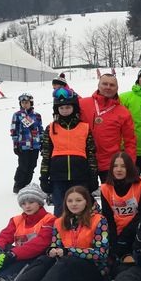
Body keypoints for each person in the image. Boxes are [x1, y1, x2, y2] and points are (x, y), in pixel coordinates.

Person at [39, 88, 98, 216]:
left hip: (80, 176)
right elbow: (46, 155)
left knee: (82, 210)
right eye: (61, 108)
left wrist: (93, 176)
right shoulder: (51, 128)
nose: (64, 110)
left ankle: (83, 229)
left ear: (74, 108)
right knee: (61, 211)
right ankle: (60, 229)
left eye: (67, 107)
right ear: (57, 110)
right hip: (58, 178)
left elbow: (91, 154)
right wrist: (43, 177)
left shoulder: (84, 127)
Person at [99, 151, 141, 270]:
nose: (119, 170)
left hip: (139, 229)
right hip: (117, 232)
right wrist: (114, 241)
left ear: (130, 168)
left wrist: (124, 237)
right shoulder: (105, 188)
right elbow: (108, 217)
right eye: (115, 166)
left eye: (123, 166)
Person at [79, 73, 136, 183]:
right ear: (98, 85)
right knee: (84, 193)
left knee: (112, 193)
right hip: (85, 160)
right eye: (105, 84)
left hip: (111, 163)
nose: (108, 87)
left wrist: (129, 164)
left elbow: (130, 141)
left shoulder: (123, 112)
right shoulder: (82, 104)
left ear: (117, 88)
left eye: (112, 85)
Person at [10, 93, 43, 193]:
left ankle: (26, 184)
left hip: (35, 145)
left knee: (32, 165)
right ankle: (18, 184)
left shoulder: (37, 116)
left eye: (27, 102)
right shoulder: (18, 115)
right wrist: (15, 144)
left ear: (31, 103)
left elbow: (40, 129)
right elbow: (14, 130)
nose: (25, 104)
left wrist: (42, 142)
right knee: (23, 166)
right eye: (23, 103)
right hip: (23, 145)